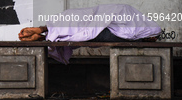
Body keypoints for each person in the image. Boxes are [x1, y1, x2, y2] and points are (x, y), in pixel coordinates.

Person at [18, 4, 161, 64]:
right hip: (102, 25)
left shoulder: (138, 27)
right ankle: (45, 32)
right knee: (80, 24)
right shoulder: (142, 27)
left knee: (77, 22)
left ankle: (45, 31)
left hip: (95, 23)